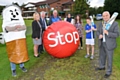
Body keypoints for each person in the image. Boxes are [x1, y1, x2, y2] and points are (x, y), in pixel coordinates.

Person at [2, 5, 29, 77]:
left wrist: (17, 29)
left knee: (21, 52)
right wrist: (14, 27)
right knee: (13, 54)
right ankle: (13, 69)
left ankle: (22, 66)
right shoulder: (6, 21)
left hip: (20, 39)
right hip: (11, 40)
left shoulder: (20, 20)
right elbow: (6, 28)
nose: (14, 14)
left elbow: (24, 27)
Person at [96, 11, 119, 78]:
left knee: (109, 58)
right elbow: (97, 31)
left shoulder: (115, 24)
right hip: (102, 42)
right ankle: (102, 66)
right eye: (104, 16)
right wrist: (99, 35)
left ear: (109, 16)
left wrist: (108, 33)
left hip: (110, 44)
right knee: (102, 56)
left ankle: (108, 71)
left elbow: (117, 34)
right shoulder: (101, 23)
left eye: (106, 15)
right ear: (102, 17)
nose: (105, 17)